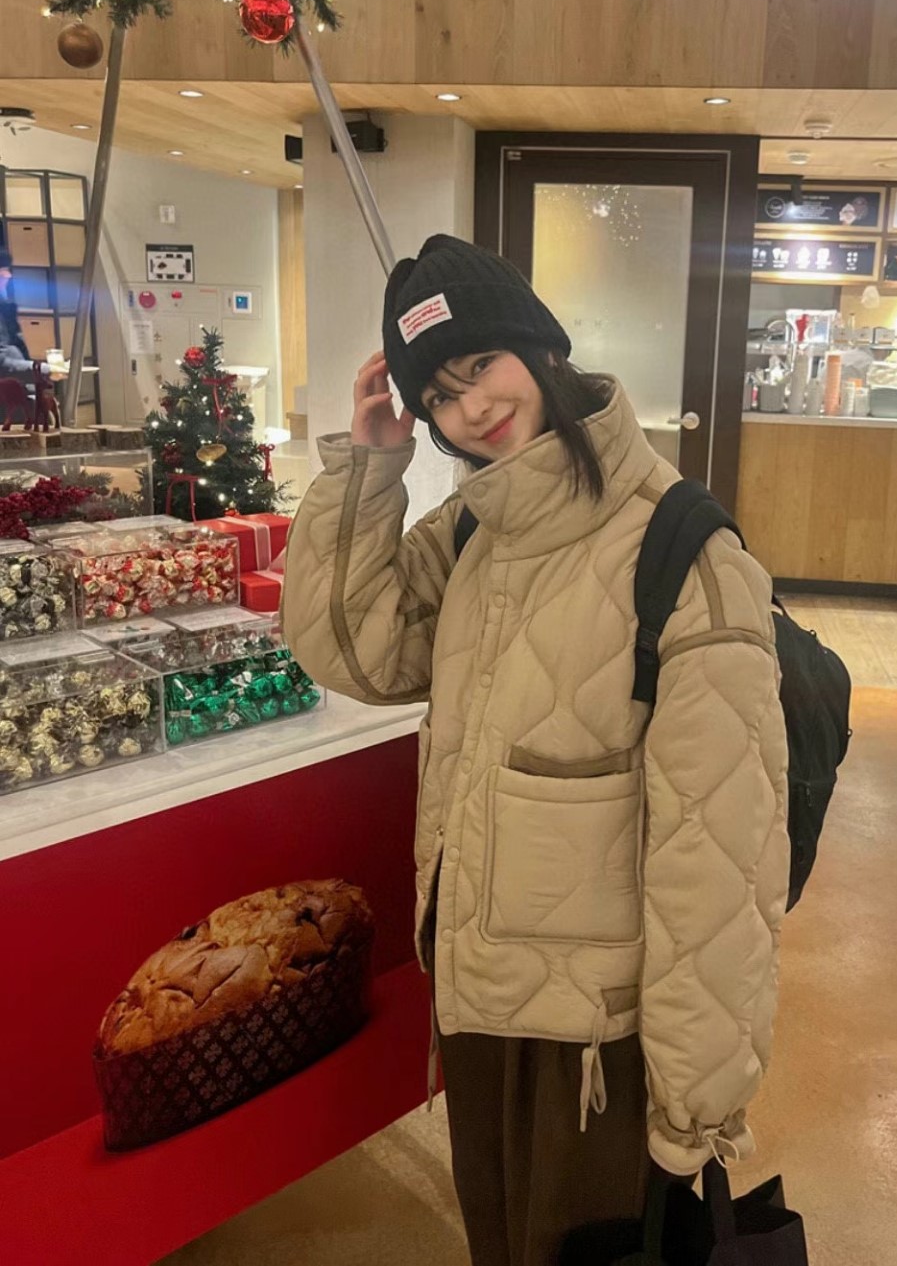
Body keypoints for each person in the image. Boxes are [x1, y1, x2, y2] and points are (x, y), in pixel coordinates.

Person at [282, 235, 789, 1266]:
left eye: (483, 365)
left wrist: (695, 1101)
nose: (471, 409)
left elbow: (720, 855)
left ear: (541, 348)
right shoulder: (478, 530)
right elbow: (356, 647)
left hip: (599, 1048)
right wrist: (372, 467)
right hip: (480, 1008)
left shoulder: (685, 553)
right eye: (439, 395)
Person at [0, 247, 35, 379]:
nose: (8, 276)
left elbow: (17, 342)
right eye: (3, 272)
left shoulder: (6, 307)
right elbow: (2, 360)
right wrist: (43, 370)